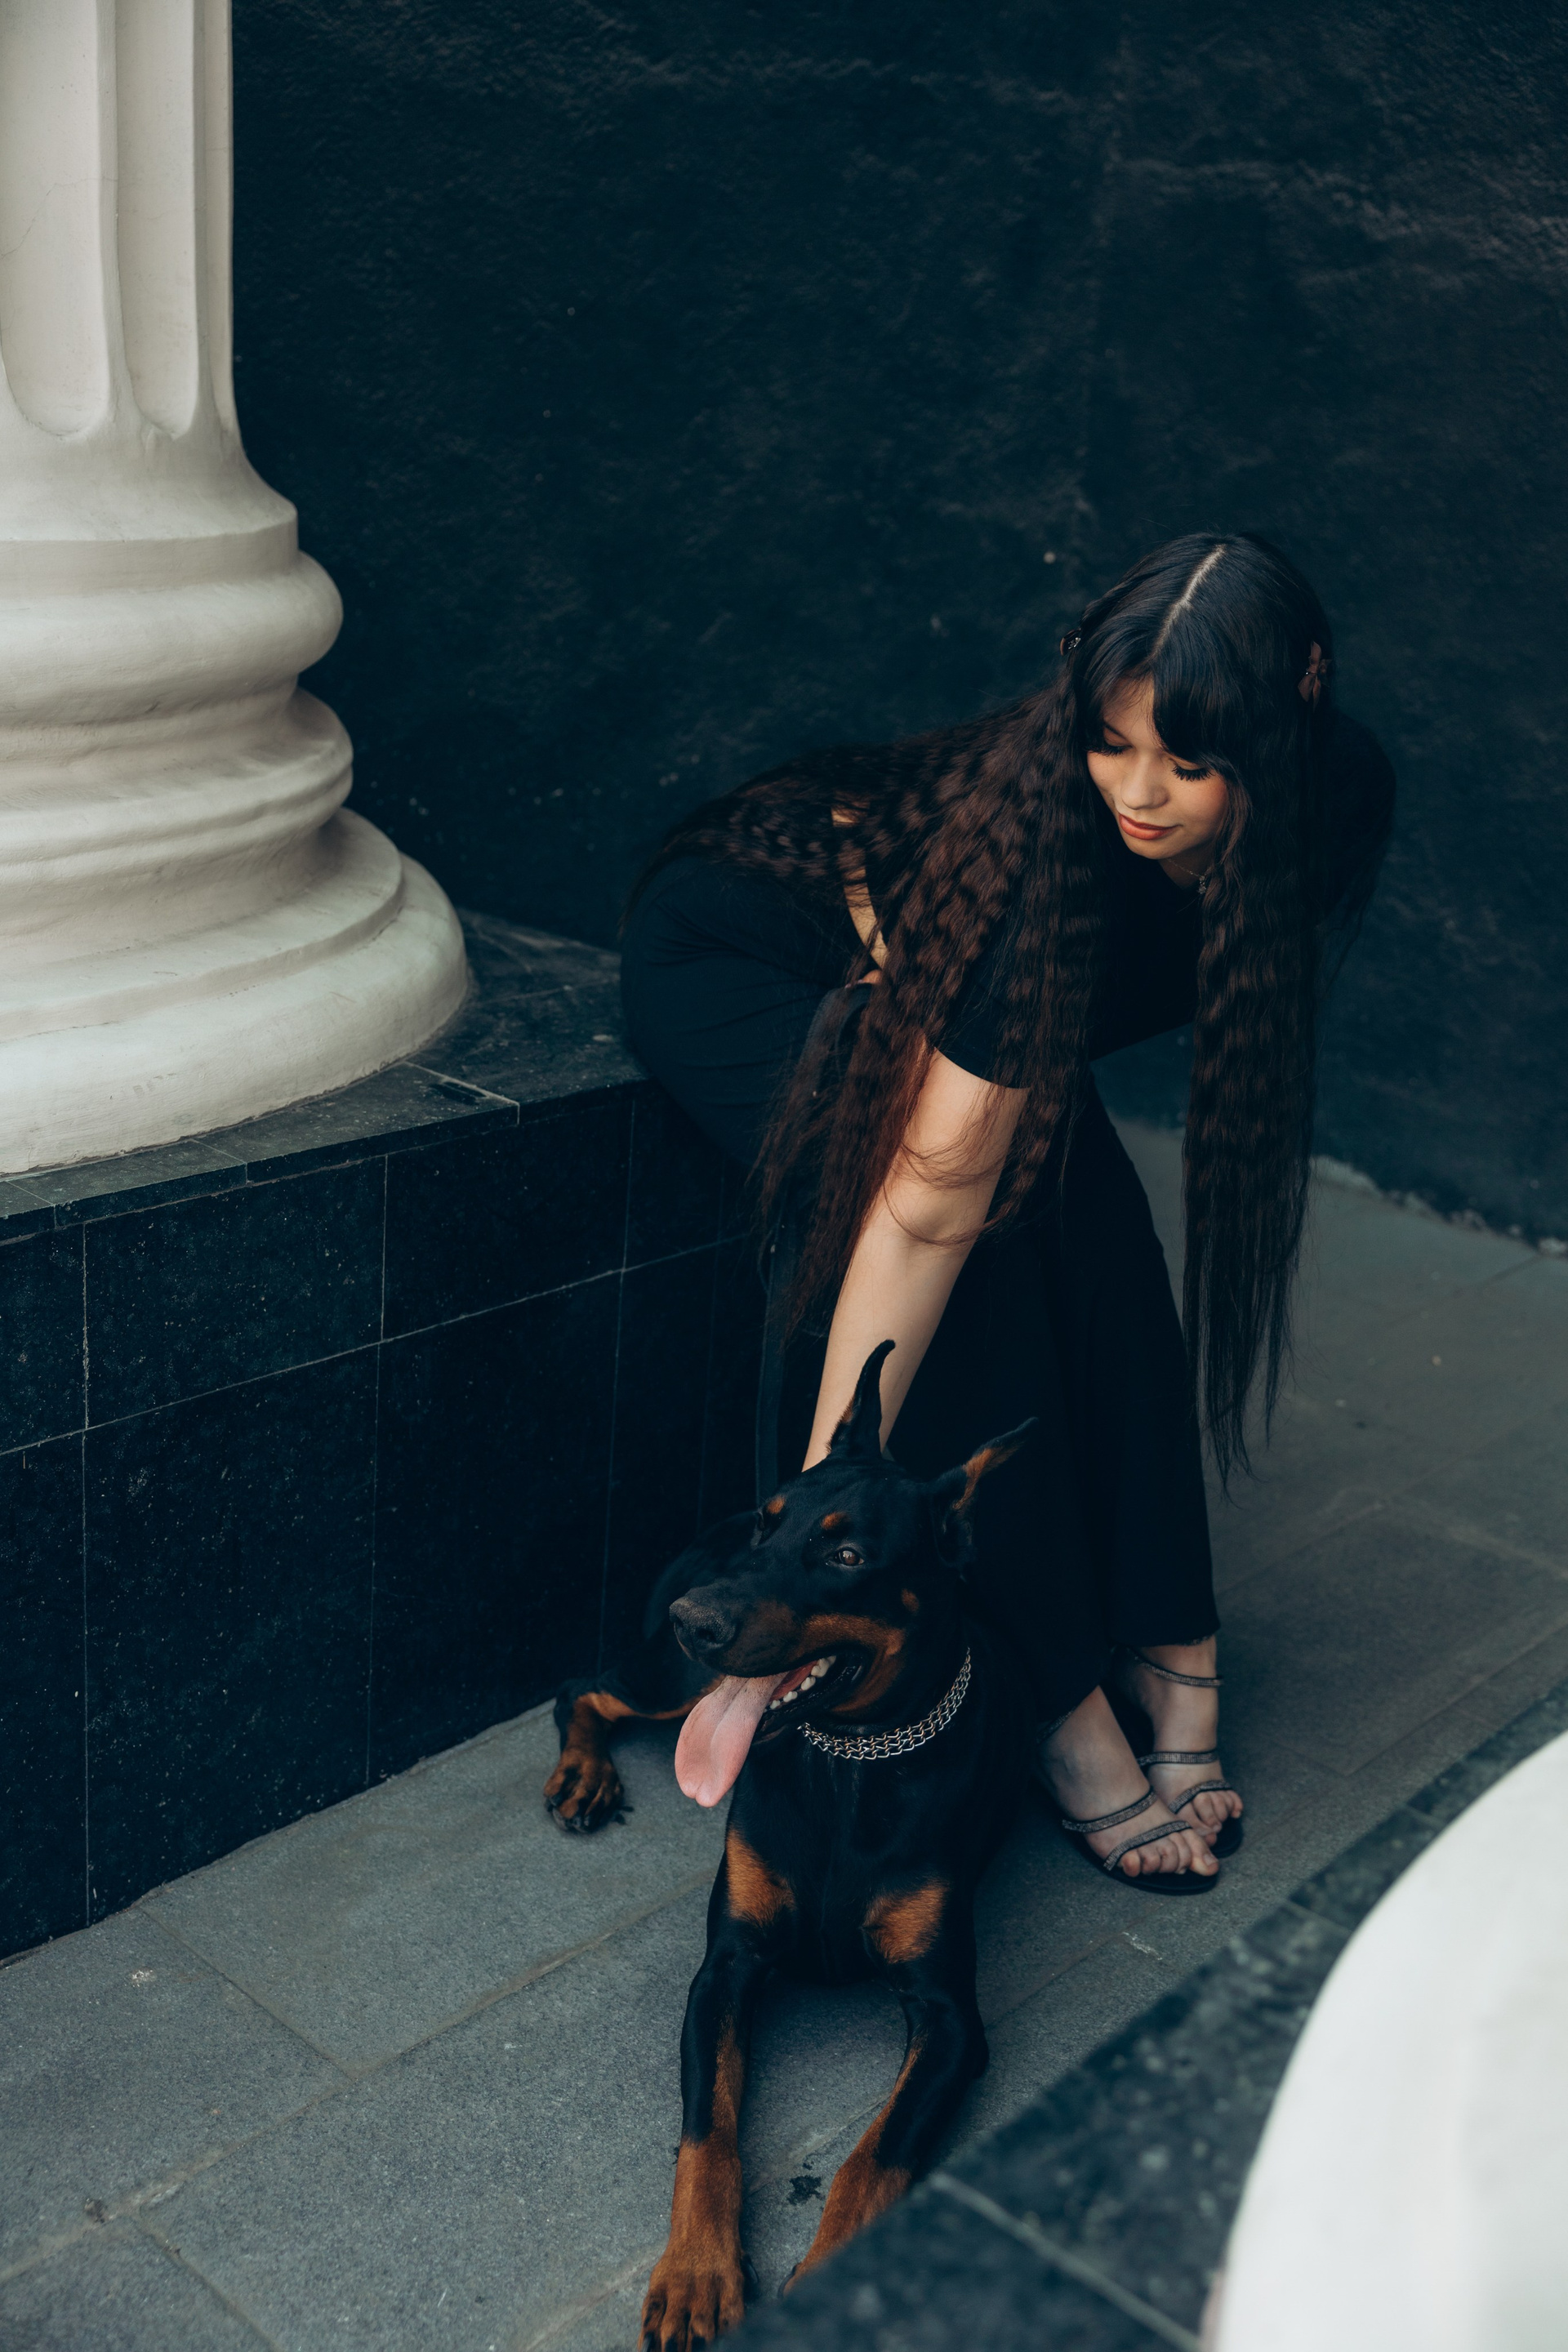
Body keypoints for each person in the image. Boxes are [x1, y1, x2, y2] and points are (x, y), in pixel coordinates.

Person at [619, 533, 1394, 1891]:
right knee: (982, 1260)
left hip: (953, 992)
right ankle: (1065, 1712)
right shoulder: (1054, 874)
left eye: (1190, 763)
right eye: (1110, 744)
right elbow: (924, 1217)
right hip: (753, 955)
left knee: (1109, 1248)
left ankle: (1174, 1644)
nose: (1138, 794)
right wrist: (829, 1496)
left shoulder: (1341, 794)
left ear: (1297, 708)